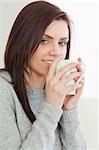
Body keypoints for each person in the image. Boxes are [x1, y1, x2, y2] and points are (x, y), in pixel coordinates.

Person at [0, 1, 87, 150]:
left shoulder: (59, 92)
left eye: (62, 43)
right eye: (44, 41)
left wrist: (68, 108)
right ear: (22, 41)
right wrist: (52, 106)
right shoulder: (4, 90)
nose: (56, 52)